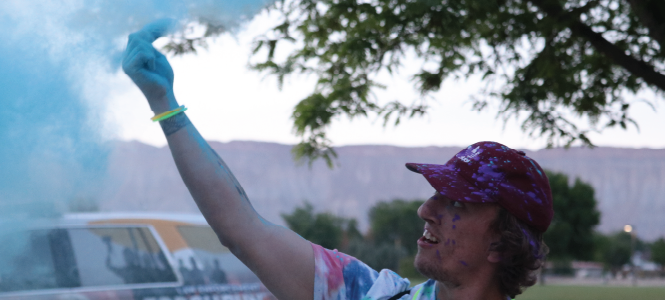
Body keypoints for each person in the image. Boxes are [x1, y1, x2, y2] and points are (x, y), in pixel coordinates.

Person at [122, 20, 553, 300]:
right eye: (435, 195)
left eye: (456, 203)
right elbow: (242, 231)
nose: (426, 209)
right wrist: (165, 103)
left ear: (502, 241)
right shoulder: (369, 294)